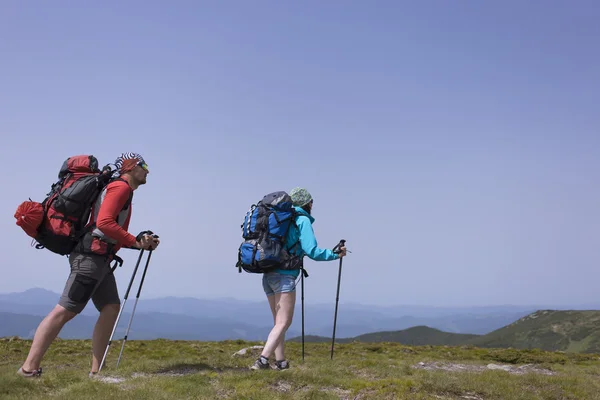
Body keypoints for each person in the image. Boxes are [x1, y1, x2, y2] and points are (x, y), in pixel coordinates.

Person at [17, 152, 160, 378]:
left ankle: (96, 372)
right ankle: (28, 368)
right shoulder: (120, 188)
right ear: (132, 168)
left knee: (111, 307)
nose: (148, 170)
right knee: (65, 310)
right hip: (91, 258)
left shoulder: (120, 189)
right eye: (144, 165)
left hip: (100, 258)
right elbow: (104, 223)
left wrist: (137, 242)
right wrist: (133, 240)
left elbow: (105, 227)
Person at [251, 187, 346, 371]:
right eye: (311, 202)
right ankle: (262, 360)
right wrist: (335, 255)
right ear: (307, 203)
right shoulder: (302, 220)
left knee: (278, 322)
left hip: (268, 274)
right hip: (285, 276)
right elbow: (312, 251)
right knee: (284, 322)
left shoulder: (280, 219)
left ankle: (281, 362)